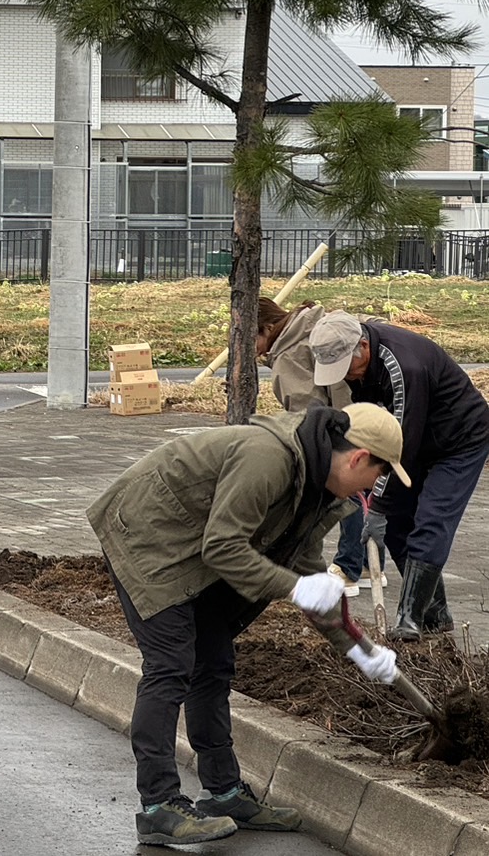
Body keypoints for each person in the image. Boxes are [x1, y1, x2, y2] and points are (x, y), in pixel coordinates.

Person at [89, 402, 409, 846]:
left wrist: (360, 649)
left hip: (195, 547)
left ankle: (222, 792)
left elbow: (310, 571)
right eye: (378, 474)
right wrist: (296, 589)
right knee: (171, 664)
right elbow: (224, 548)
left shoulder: (317, 487)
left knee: (214, 662)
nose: (375, 485)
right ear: (357, 458)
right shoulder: (269, 457)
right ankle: (159, 806)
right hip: (148, 536)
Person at [309, 311, 489, 640]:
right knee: (395, 525)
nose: (347, 377)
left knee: (431, 518)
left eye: (348, 368)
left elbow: (399, 440)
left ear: (363, 346)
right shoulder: (359, 364)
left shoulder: (404, 366)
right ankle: (435, 615)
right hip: (415, 439)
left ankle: (410, 619)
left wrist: (377, 505)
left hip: (459, 440)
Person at [256, 298, 370, 597]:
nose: (249, 345)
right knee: (366, 489)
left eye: (252, 336)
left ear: (268, 328)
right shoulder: (312, 324)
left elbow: (305, 410)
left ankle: (348, 569)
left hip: (340, 425)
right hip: (364, 412)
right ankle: (367, 562)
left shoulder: (288, 354)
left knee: (345, 491)